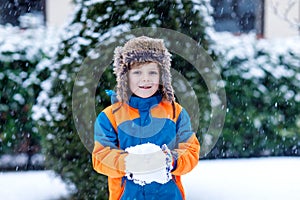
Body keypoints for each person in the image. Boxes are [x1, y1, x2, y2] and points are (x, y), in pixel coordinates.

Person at [92, 36, 200, 200]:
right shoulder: (109, 117)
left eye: (152, 72)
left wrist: (170, 160)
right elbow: (100, 158)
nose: (145, 78)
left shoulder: (176, 113)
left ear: (162, 76)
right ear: (125, 77)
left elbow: (191, 152)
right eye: (137, 72)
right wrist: (129, 163)